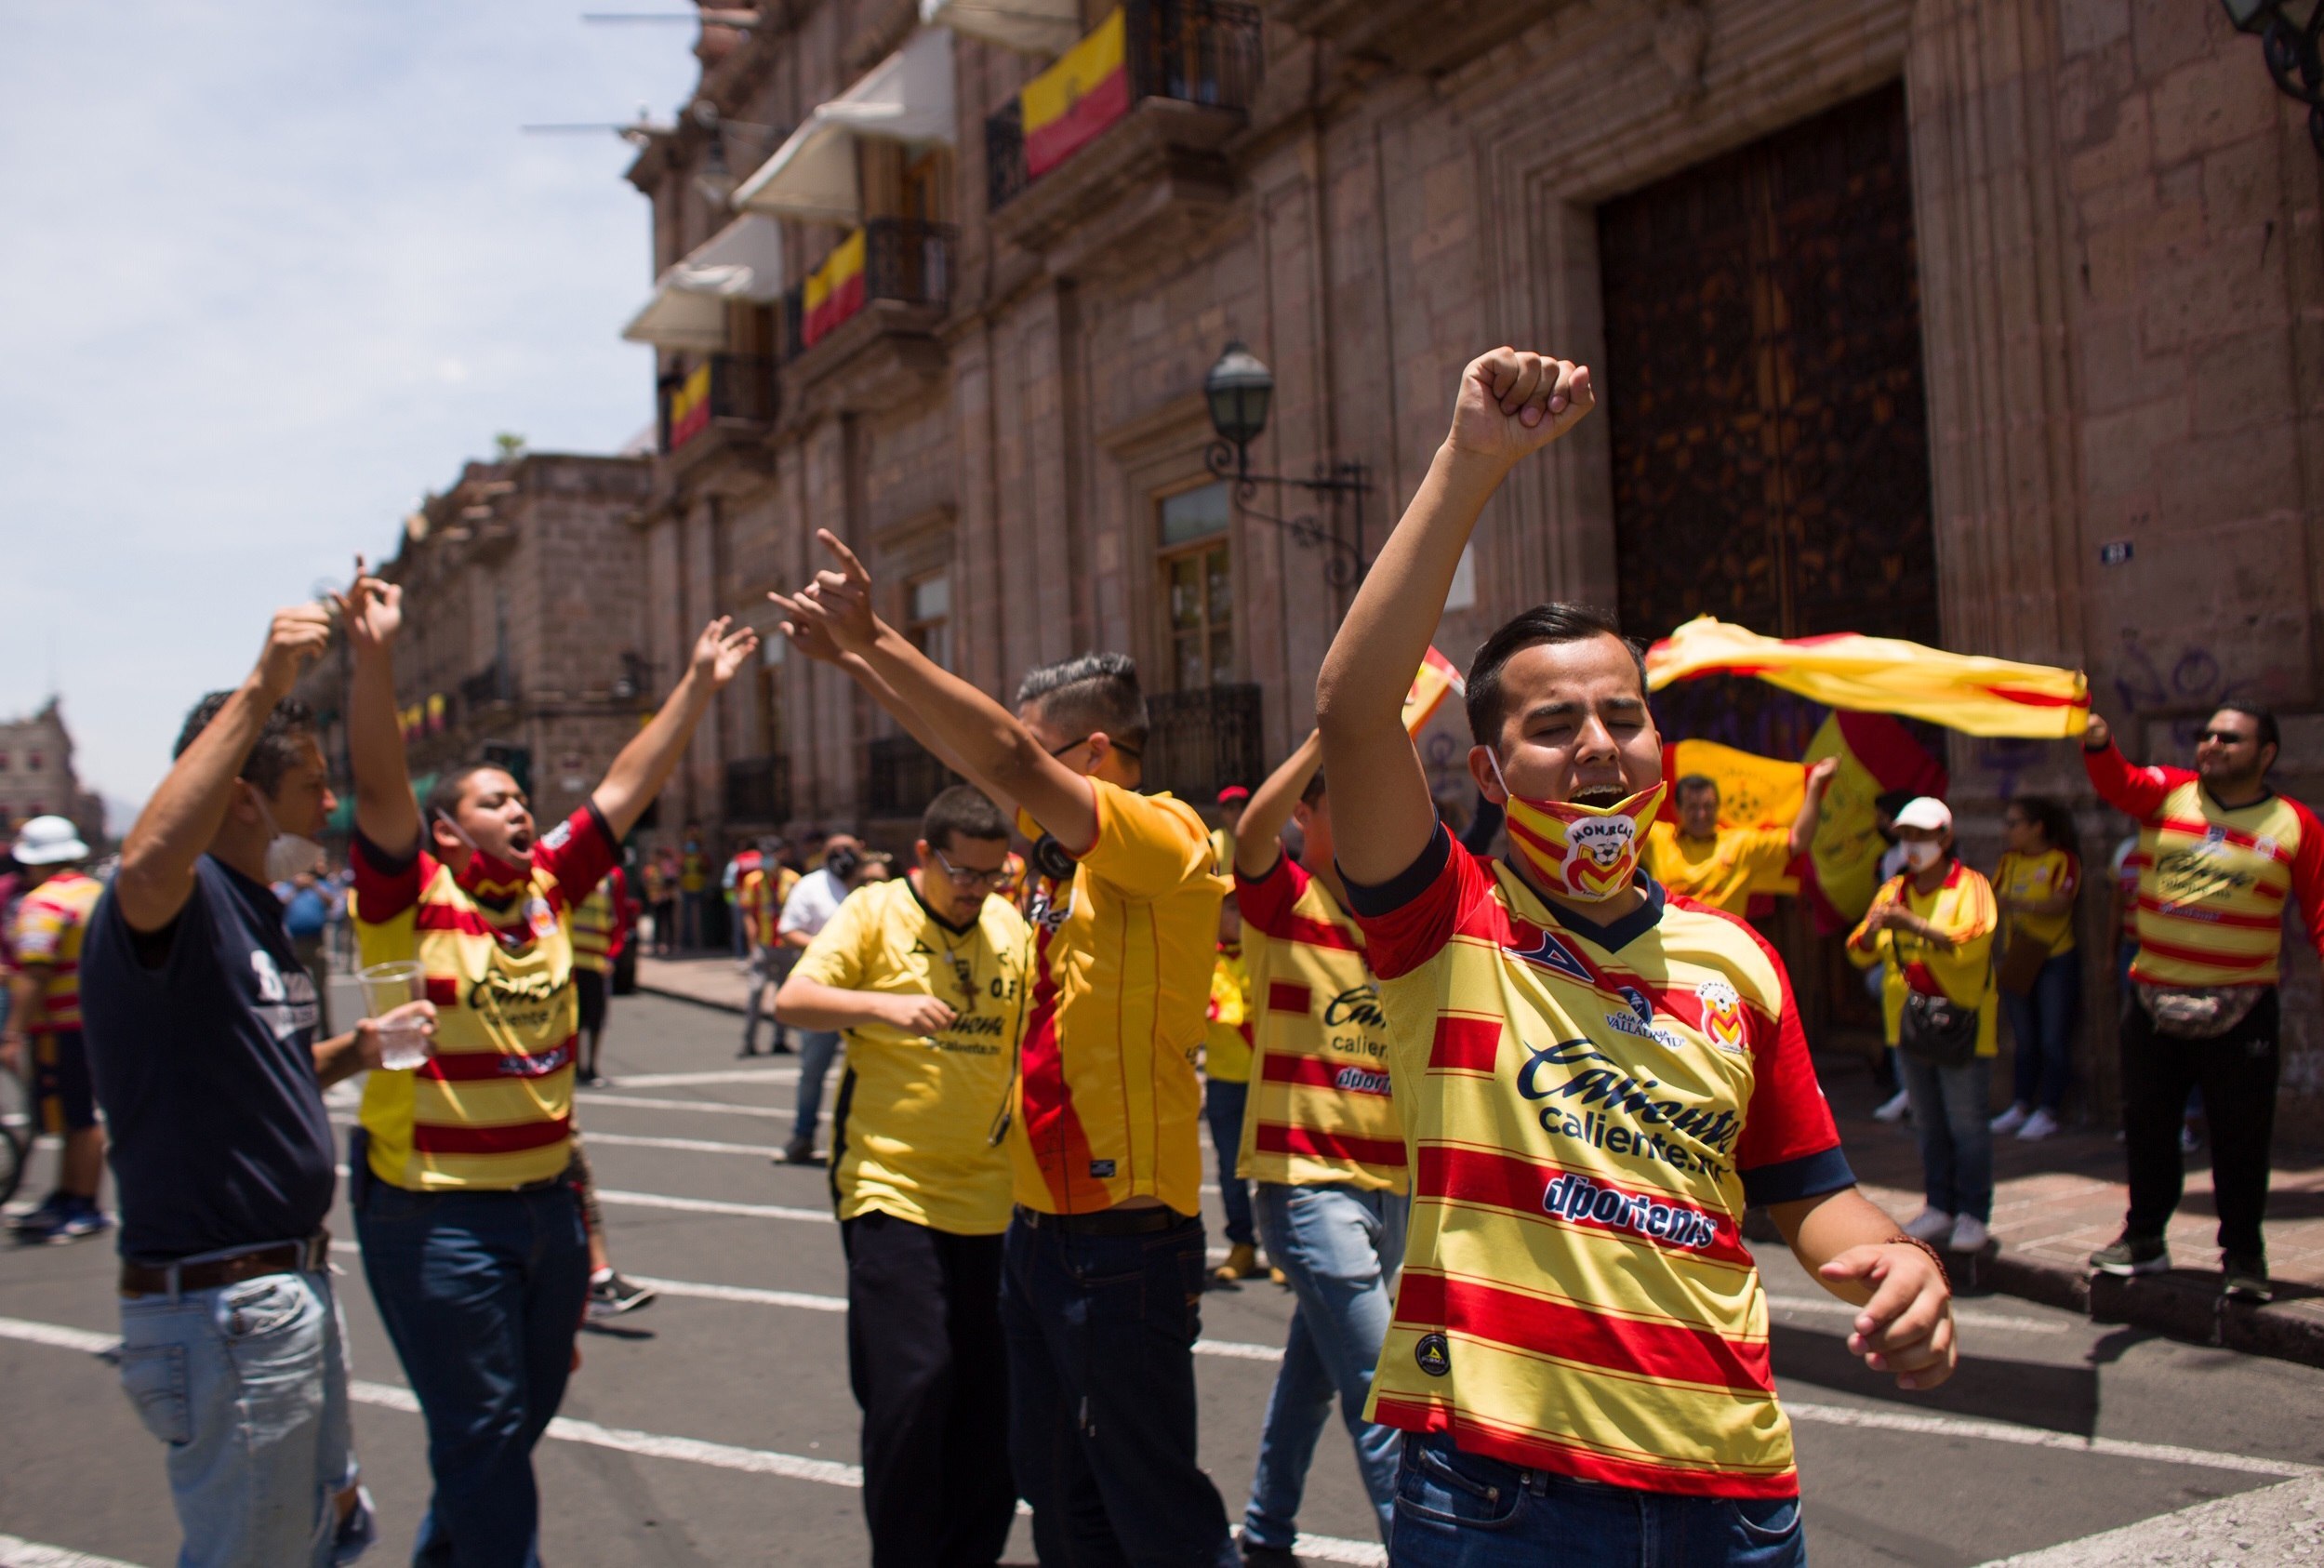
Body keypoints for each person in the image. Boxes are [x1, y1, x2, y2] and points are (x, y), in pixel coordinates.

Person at [1312, 347, 1955, 1564]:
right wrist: (1469, 461)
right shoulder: (1444, 921)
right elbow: (1351, 706)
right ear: (1488, 776)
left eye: (1623, 714)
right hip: (1498, 1499)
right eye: (1552, 725)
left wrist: (1894, 1257)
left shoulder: (1736, 961)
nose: (1597, 743)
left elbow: (1808, 1189)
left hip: (1736, 1494)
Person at [775, 546, 1238, 1568]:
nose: (1009, 778)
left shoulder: (1166, 837)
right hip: (1039, 1230)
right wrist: (858, 664)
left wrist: (877, 636)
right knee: (1059, 1498)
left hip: (1123, 1237)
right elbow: (984, 754)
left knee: (1151, 1505)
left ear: (1099, 753)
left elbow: (1003, 759)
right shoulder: (1062, 856)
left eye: (1040, 755)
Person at [339, 562, 755, 1567]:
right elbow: (382, 780)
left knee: (511, 1426)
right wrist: (374, 655)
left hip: (547, 1209)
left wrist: (696, 684)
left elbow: (625, 786)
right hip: (434, 1211)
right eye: (494, 801)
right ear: (446, 831)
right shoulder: (406, 897)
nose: (522, 811)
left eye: (524, 798)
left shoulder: (548, 893)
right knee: (482, 1437)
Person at [78, 604, 441, 1566]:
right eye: (311, 786)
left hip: (279, 1291)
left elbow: (259, 1074)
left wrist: (360, 1049)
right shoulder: (179, 898)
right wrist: (262, 685)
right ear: (244, 796)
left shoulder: (254, 910)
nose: (329, 806)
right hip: (225, 1310)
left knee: (329, 1531)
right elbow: (148, 862)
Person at [773, 785, 1026, 1567]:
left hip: (992, 1197)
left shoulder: (1008, 927)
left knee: (991, 1406)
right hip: (890, 1186)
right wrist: (882, 1007)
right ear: (924, 855)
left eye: (992, 874)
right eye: (962, 872)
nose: (976, 889)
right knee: (914, 1387)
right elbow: (794, 999)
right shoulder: (874, 911)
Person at [1228, 732, 1409, 1559]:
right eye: (1348, 798)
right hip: (1307, 1183)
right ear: (1307, 813)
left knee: (1315, 1370)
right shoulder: (1284, 899)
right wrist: (1326, 735)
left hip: (1391, 1187)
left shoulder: (1401, 920)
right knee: (1380, 1387)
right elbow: (1249, 837)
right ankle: (1426, 1548)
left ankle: (1265, 1530)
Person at [2080, 704, 2324, 1302]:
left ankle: (2243, 1257)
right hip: (2154, 1004)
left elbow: (2320, 910)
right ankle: (2144, 1240)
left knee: (2241, 1136)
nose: (2212, 744)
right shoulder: (2169, 793)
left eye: (2230, 738)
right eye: (2207, 735)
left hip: (2243, 1013)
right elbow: (2120, 782)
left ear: (2265, 753)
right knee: (2149, 1128)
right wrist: (2100, 741)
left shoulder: (2296, 824)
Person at [1848, 798, 1999, 1254]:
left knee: (1967, 1123)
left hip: (1962, 1021)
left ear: (1945, 838)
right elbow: (1858, 949)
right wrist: (1877, 930)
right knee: (1929, 1121)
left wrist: (1910, 923)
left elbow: (1973, 940)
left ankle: (1974, 1212)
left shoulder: (1970, 886)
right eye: (1906, 836)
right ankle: (1939, 1205)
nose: (1912, 846)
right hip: (1909, 1023)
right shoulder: (1893, 888)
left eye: (1922, 836)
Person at [3, 814, 110, 1243]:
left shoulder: (43, 903)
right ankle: (69, 1195)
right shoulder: (96, 894)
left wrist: (12, 1032)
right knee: (77, 1114)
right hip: (97, 1020)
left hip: (61, 1025)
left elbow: (35, 971)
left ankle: (80, 1202)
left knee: (75, 1116)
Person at [773, 833, 873, 1162]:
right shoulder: (811, 886)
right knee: (813, 1069)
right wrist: (827, 949)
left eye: (850, 850)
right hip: (826, 992)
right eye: (835, 851)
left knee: (872, 1070)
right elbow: (788, 930)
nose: (843, 857)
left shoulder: (871, 885)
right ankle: (803, 1134)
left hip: (868, 994)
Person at [1989, 795, 2081, 1141]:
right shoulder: (2009, 861)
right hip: (2018, 956)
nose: (2007, 831)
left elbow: (2060, 902)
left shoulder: (2062, 860)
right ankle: (2021, 1104)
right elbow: (1992, 898)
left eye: (2014, 823)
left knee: (2053, 1038)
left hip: (2055, 956)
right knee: (2023, 1037)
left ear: (2036, 827)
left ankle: (2050, 1109)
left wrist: (2019, 903)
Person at [1642, 760, 1838, 915]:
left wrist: (1815, 784)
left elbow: (1797, 842)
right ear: (1676, 810)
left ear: (1719, 807)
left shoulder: (1740, 845)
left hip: (1722, 950)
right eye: (1692, 807)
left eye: (1708, 806)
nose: (1701, 815)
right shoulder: (1657, 838)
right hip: (1670, 949)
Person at [1202, 899, 1262, 1282]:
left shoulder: (1267, 950)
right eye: (1229, 908)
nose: (1238, 916)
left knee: (1278, 1169)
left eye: (1243, 907)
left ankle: (1284, 1251)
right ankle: (1242, 1245)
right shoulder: (1203, 956)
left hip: (1268, 1076)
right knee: (1230, 1168)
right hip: (1225, 1080)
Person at [739, 838, 801, 1057]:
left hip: (787, 946)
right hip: (764, 945)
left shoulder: (793, 880)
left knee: (784, 996)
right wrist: (752, 943)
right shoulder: (753, 881)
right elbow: (748, 913)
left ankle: (779, 1039)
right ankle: (749, 1041)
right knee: (756, 992)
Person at [570, 866, 627, 1087]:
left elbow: (619, 918)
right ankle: (573, 1067)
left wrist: (611, 956)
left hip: (597, 961)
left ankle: (592, 1067)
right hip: (571, 961)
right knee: (571, 1019)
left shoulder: (613, 877)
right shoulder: (570, 869)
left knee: (596, 1018)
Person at [279, 868, 340, 1039]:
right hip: (293, 945)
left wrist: (314, 887)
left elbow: (333, 903)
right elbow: (277, 905)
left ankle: (326, 1031)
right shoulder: (287, 888)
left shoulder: (319, 886)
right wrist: (295, 889)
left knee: (321, 990)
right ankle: (297, 1033)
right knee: (293, 990)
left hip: (317, 943)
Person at [678, 823, 710, 950]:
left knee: (698, 918)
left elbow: (707, 868)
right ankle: (687, 942)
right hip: (686, 889)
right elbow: (679, 869)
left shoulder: (701, 856)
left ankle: (699, 942)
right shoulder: (684, 856)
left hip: (699, 888)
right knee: (687, 918)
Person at [644, 847, 677, 957]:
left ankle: (670, 944)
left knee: (668, 922)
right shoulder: (651, 869)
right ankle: (657, 944)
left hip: (667, 898)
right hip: (656, 899)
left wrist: (666, 892)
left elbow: (671, 880)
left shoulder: (666, 866)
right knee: (658, 923)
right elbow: (647, 883)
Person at [1213, 783, 1250, 876]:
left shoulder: (1257, 839)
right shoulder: (1213, 842)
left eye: (1242, 807)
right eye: (1231, 808)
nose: (1238, 812)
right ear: (1222, 813)